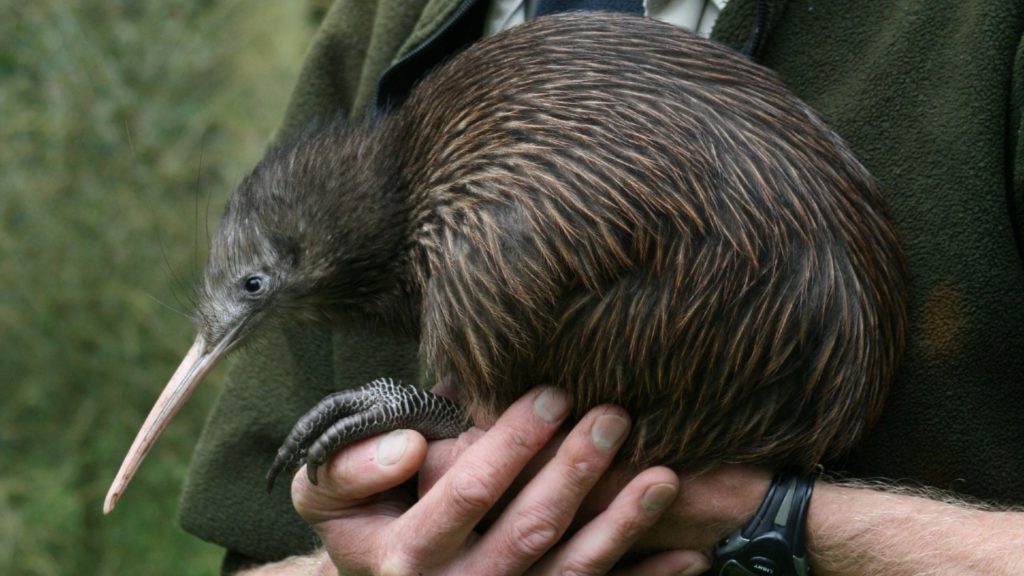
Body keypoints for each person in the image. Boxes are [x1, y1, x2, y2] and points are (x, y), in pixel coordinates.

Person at [177, 0, 1024, 574]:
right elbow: (263, 555)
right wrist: (382, 556)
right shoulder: (395, 21)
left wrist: (775, 522)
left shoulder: (969, 32)